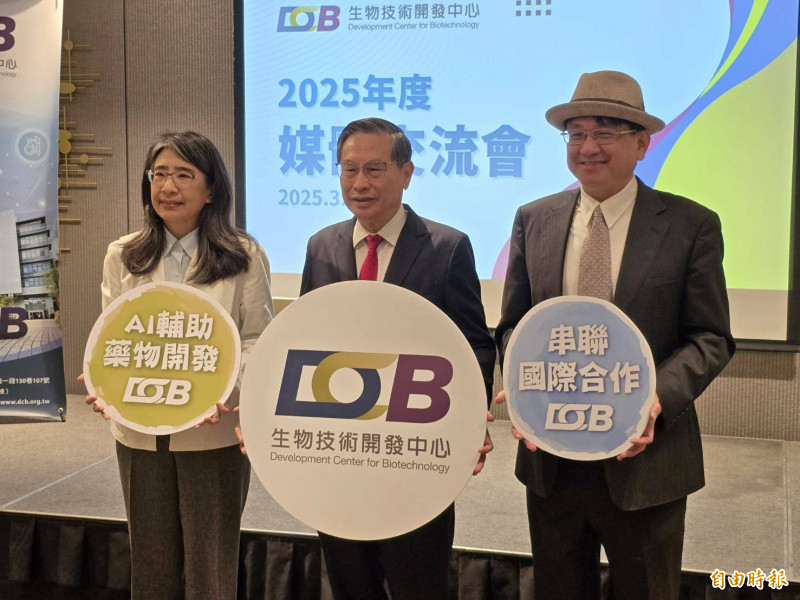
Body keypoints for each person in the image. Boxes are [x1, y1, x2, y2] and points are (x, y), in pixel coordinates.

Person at [494, 71, 735, 599]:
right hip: (552, 459)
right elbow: (514, 323)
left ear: (642, 144)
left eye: (605, 132)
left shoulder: (690, 225)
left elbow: (711, 337)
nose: (588, 147)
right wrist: (523, 381)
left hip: (646, 461)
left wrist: (654, 397)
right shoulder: (534, 219)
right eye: (576, 133)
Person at [300, 117, 496, 600]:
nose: (359, 183)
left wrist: (470, 420)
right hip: (338, 451)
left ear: (406, 173)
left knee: (417, 583)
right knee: (351, 583)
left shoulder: (447, 247)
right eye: (349, 169)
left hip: (414, 452)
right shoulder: (321, 246)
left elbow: (474, 343)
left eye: (374, 169)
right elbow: (303, 342)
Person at [83, 131, 274, 600]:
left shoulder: (243, 255)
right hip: (139, 432)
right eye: (160, 174)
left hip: (212, 432)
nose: (168, 187)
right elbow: (114, 337)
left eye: (184, 175)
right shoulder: (123, 253)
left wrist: (223, 389)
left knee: (211, 569)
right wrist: (103, 383)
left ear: (211, 190)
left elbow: (257, 338)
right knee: (151, 568)